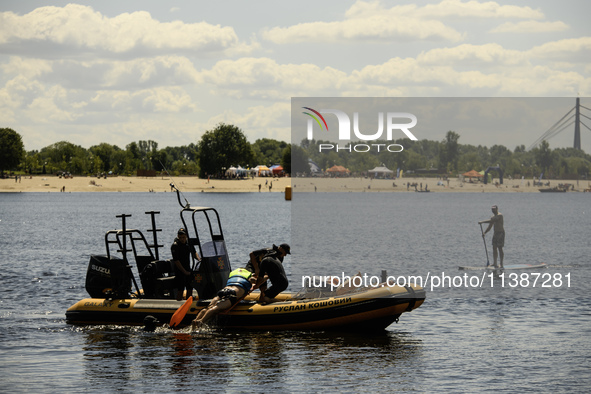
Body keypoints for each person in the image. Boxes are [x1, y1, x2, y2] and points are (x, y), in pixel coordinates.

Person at [191, 268, 257, 329]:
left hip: (223, 291)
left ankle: (196, 320)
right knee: (216, 308)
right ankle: (201, 321)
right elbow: (259, 280)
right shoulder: (250, 278)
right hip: (233, 293)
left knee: (208, 307)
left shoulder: (232, 276)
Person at [171, 228, 200, 301]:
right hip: (179, 270)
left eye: (183, 237)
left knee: (190, 287)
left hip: (187, 268)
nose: (182, 239)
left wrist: (199, 259)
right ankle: (178, 303)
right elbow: (176, 261)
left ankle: (188, 302)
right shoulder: (175, 246)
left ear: (186, 236)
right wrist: (184, 272)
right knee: (180, 288)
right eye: (180, 237)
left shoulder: (188, 243)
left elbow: (194, 253)